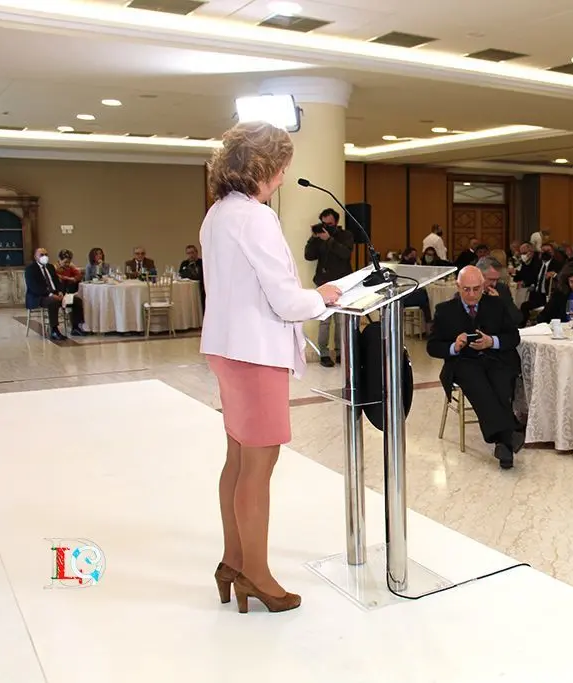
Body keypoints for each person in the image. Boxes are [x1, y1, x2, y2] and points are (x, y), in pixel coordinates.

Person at [199, 121, 342, 614]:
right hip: (255, 352)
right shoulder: (255, 217)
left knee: (238, 461)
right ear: (262, 166)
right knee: (258, 469)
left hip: (227, 347)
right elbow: (284, 300)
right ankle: (256, 577)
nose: (282, 177)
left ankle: (232, 562)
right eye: (280, 167)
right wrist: (322, 297)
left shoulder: (217, 213)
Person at [427, 266, 523, 469]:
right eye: (466, 289)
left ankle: (503, 442)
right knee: (478, 384)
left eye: (476, 289)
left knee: (500, 383)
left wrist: (492, 341)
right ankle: (508, 435)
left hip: (495, 358)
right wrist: (454, 346)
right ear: (458, 286)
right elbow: (432, 347)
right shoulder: (444, 310)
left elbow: (513, 337)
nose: (471, 294)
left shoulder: (496, 304)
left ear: (483, 286)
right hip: (463, 362)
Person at [304, 208, 354, 367]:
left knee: (340, 321)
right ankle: (324, 354)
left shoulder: (345, 235)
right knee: (324, 321)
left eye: (330, 224)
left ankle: (340, 352)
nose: (326, 227)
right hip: (323, 283)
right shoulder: (319, 237)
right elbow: (308, 256)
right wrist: (313, 238)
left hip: (342, 283)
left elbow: (345, 254)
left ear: (336, 222)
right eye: (324, 223)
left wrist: (330, 240)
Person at [24, 247, 87, 339]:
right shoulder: (30, 269)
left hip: (55, 294)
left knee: (76, 300)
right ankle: (54, 330)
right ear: (35, 257)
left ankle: (75, 327)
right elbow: (34, 287)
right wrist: (50, 295)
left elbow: (57, 282)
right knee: (53, 302)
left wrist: (60, 291)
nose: (44, 257)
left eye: (46, 254)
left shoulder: (50, 267)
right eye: (41, 255)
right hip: (39, 296)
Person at [179, 244, 205, 309]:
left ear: (196, 252)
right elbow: (181, 275)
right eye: (188, 253)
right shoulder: (184, 263)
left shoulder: (202, 263)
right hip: (187, 290)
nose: (191, 255)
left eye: (192, 253)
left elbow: (201, 276)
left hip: (201, 289)